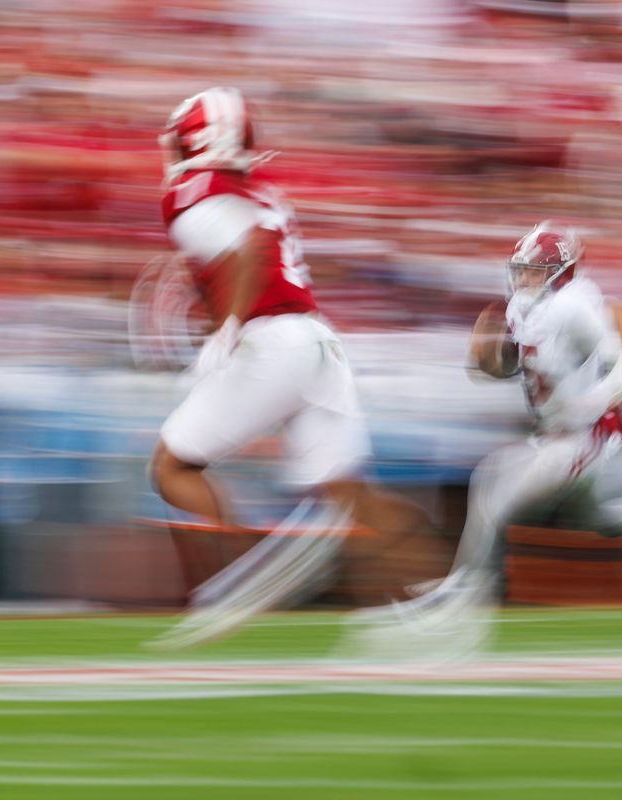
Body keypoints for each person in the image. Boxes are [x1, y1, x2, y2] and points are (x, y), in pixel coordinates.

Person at [148, 87, 432, 646]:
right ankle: (440, 591)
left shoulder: (192, 191)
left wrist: (226, 326)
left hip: (271, 344)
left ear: (194, 141)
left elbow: (248, 251)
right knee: (351, 494)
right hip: (317, 341)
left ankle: (231, 586)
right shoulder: (261, 190)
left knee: (171, 467)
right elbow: (253, 251)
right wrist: (217, 312)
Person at [384, 221, 622, 616]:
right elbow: (521, 368)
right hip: (566, 436)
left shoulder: (573, 304)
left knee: (495, 486)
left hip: (581, 438)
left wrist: (614, 387)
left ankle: (470, 588)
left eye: (532, 270)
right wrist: (489, 363)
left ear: (559, 273)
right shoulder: (525, 307)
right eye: (520, 269)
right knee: (612, 516)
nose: (523, 278)